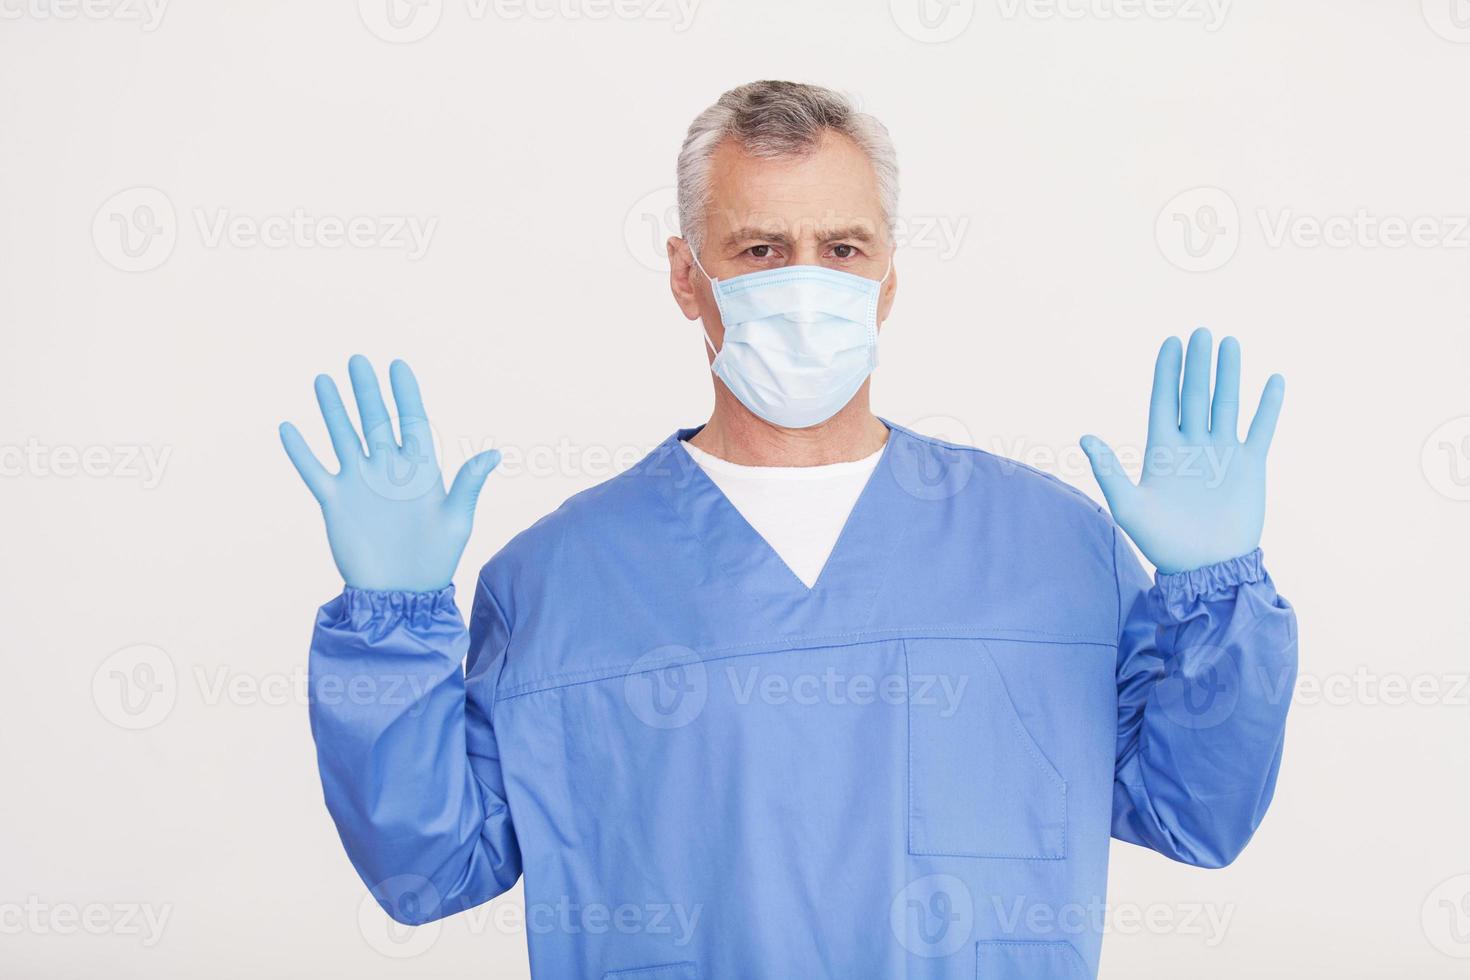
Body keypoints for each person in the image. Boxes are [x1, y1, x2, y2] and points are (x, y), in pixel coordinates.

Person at [280, 81, 1297, 980]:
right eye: (760, 249)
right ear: (688, 275)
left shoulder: (1052, 553)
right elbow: (428, 867)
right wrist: (392, 620)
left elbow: (1196, 811)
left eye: (841, 248)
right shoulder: (561, 581)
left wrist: (1215, 594)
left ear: (888, 277)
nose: (804, 282)